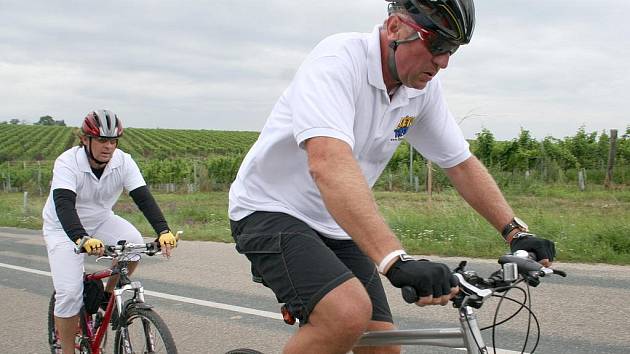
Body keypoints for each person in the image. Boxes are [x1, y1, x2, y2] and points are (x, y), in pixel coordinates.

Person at [228, 0, 556, 353]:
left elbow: (460, 163)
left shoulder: (420, 91)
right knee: (346, 314)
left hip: (336, 224)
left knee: (383, 346)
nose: (444, 61)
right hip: (270, 210)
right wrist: (393, 260)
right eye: (438, 45)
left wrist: (516, 232)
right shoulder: (336, 62)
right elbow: (328, 161)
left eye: (453, 50)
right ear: (396, 28)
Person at [42, 109, 178, 353]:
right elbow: (63, 204)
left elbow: (143, 198)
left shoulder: (123, 161)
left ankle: (105, 299)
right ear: (85, 139)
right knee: (70, 294)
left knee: (134, 247)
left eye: (113, 141)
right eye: (102, 140)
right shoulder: (67, 162)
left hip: (102, 220)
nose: (108, 147)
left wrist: (163, 230)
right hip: (63, 229)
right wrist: (81, 238)